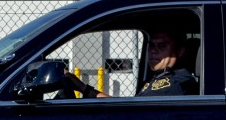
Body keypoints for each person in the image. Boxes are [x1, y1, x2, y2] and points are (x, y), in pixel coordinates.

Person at [65, 29, 198, 98]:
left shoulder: (176, 82)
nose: (153, 51)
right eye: (151, 45)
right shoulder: (159, 76)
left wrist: (82, 87)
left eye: (162, 46)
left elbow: (130, 109)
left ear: (180, 51)